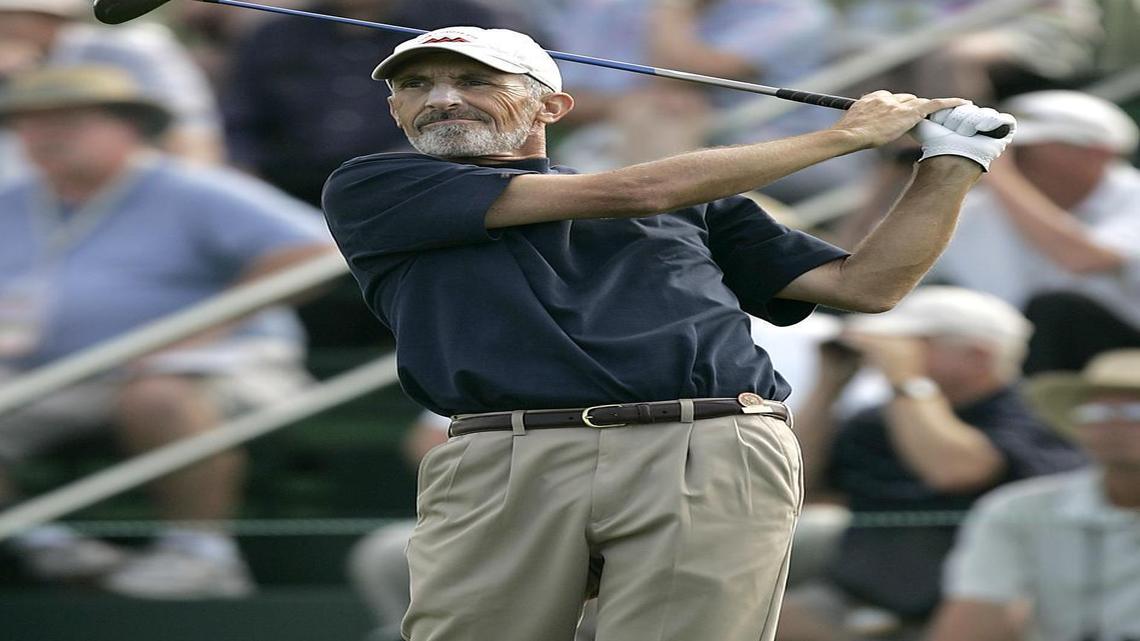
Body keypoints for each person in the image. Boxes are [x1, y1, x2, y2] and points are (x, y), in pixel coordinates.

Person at [319, 25, 1016, 641]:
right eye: (416, 85)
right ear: (394, 109)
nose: (441, 96)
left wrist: (952, 165)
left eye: (474, 80)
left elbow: (864, 285)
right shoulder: (376, 188)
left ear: (551, 106)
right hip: (505, 451)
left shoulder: (697, 199)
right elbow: (635, 192)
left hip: (706, 441)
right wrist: (846, 135)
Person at [0, 65, 335, 599]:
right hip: (54, 374)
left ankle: (200, 555)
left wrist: (204, 330)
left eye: (68, 119)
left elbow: (318, 251)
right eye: (31, 122)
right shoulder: (14, 200)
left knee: (160, 391)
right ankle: (42, 544)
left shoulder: (191, 187)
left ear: (130, 127)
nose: (47, 134)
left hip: (222, 365)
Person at [774, 286, 1086, 641]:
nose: (887, 354)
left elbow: (954, 471)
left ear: (978, 355)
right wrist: (829, 385)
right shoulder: (879, 418)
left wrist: (907, 381)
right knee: (749, 621)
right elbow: (792, 480)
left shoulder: (1036, 418)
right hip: (856, 596)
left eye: (912, 343)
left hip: (971, 609)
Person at [927, 349, 1140, 641]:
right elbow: (973, 621)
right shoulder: (1015, 509)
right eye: (1096, 411)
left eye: (1135, 412)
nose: (1114, 424)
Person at [932, 90, 1140, 374]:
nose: (1010, 156)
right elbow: (874, 261)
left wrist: (994, 170)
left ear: (1097, 153)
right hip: (1019, 349)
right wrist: (898, 177)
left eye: (1020, 148)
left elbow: (1084, 259)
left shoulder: (1133, 194)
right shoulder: (983, 205)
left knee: (1055, 309)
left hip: (1126, 355)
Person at [0, 0, 226, 169]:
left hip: (130, 192)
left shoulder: (130, 49)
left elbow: (189, 130)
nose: (6, 25)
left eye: (12, 16)